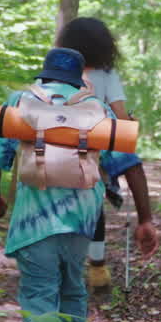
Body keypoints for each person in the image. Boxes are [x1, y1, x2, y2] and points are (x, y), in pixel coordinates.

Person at [0, 47, 159, 322]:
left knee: (40, 297)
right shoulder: (96, 107)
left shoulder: (21, 102)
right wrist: (146, 218)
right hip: (82, 221)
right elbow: (127, 162)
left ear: (45, 75)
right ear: (80, 78)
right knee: (73, 288)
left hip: (34, 222)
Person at [55, 17, 129, 290]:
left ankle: (57, 257)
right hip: (92, 148)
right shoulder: (107, 74)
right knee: (94, 204)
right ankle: (97, 266)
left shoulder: (57, 68)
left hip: (54, 143)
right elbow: (119, 114)